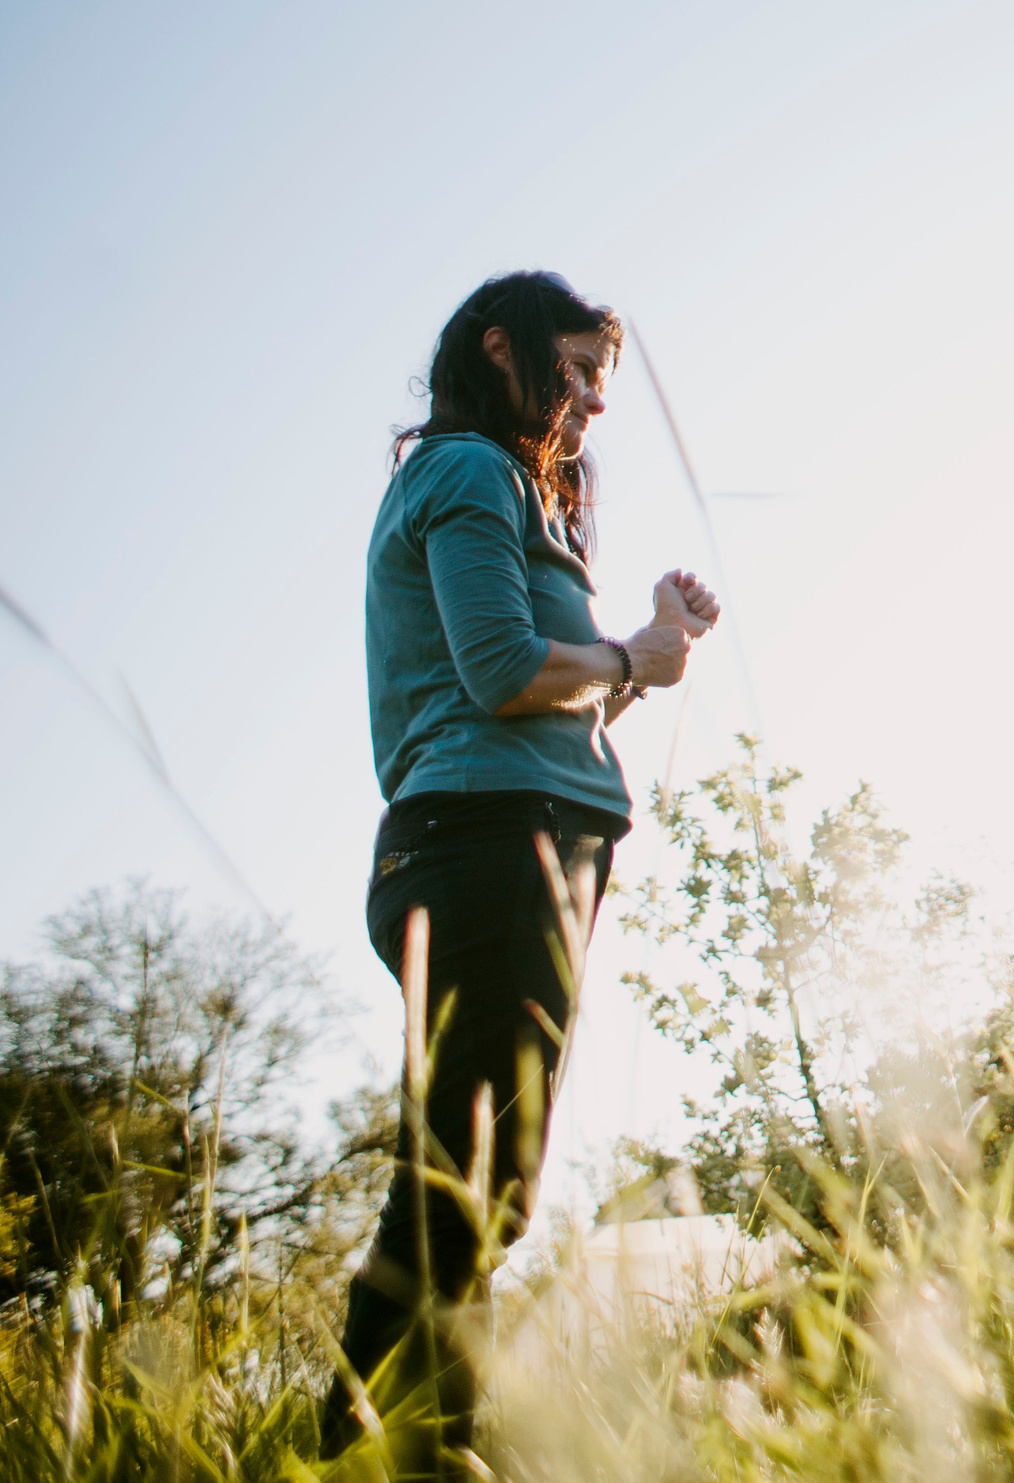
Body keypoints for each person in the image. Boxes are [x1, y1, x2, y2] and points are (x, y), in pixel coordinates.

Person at [321, 270, 719, 1468]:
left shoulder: (516, 498)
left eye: (605, 378)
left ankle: (417, 1448)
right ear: (503, 350)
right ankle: (361, 1450)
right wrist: (628, 655)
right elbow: (502, 671)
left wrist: (653, 648)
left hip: (524, 839)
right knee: (467, 1179)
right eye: (578, 368)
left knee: (477, 1181)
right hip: (482, 846)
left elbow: (546, 707)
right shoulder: (465, 471)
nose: (594, 398)